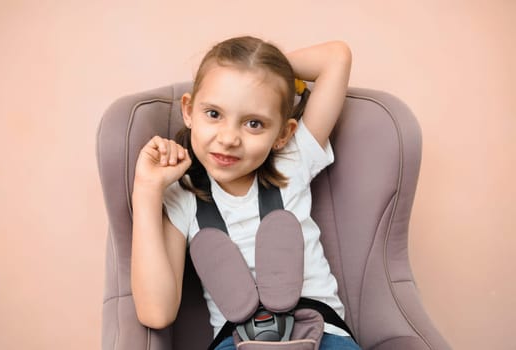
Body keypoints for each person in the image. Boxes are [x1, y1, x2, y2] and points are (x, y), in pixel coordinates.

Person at [130, 36, 356, 349]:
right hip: (237, 341)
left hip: (321, 333)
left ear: (283, 133)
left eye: (253, 123)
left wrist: (262, 73)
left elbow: (336, 57)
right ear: (188, 110)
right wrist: (146, 190)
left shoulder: (294, 159)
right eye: (213, 114)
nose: (229, 138)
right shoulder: (181, 196)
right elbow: (156, 313)